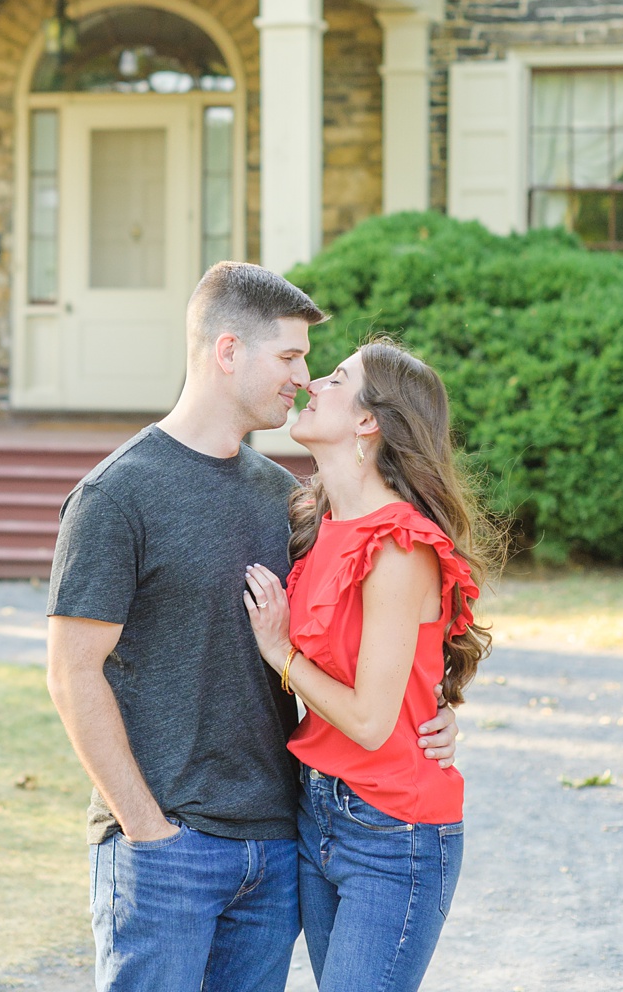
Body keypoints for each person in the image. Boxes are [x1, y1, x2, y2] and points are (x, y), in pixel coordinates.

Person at [45, 262, 459, 992]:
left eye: (312, 364)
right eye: (291, 358)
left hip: (276, 849)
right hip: (166, 846)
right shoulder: (116, 496)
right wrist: (144, 830)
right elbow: (72, 673)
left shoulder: (292, 503)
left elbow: (375, 631)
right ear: (228, 351)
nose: (302, 379)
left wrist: (435, 713)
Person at [243, 338, 502, 992]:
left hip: (394, 833)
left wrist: (281, 652)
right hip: (318, 810)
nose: (310, 384)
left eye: (335, 378)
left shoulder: (398, 546)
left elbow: (368, 720)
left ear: (368, 421)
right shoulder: (321, 523)